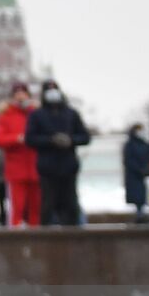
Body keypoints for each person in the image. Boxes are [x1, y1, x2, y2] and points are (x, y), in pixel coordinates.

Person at [24, 80, 90, 226]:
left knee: (71, 203)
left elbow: (85, 137)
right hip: (47, 168)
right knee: (48, 204)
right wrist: (50, 140)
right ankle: (47, 239)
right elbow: (30, 139)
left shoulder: (71, 114)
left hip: (68, 166)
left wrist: (70, 140)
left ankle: (73, 235)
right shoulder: (37, 115)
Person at [0, 83, 40, 227]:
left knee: (36, 208)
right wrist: (16, 139)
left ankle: (36, 236)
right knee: (16, 208)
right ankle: (15, 235)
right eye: (17, 93)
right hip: (16, 169)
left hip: (36, 167)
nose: (20, 96)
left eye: (23, 93)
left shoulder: (37, 114)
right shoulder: (6, 115)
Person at [122, 124, 149, 223]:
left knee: (143, 196)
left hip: (144, 175)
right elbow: (128, 161)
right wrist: (139, 170)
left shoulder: (146, 144)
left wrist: (148, 169)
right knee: (137, 197)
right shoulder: (129, 145)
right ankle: (139, 215)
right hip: (134, 176)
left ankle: (142, 214)